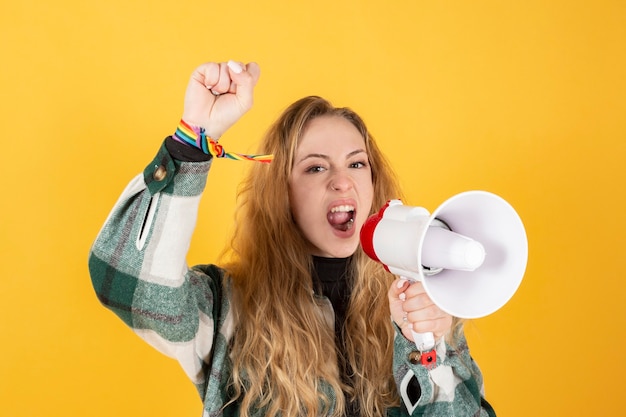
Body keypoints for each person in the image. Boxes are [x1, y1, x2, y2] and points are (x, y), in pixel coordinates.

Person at [88, 60, 496, 417]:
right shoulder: (225, 306)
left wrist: (430, 350)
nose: (342, 182)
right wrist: (191, 140)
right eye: (316, 168)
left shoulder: (420, 305)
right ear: (280, 193)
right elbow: (129, 286)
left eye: (357, 163)